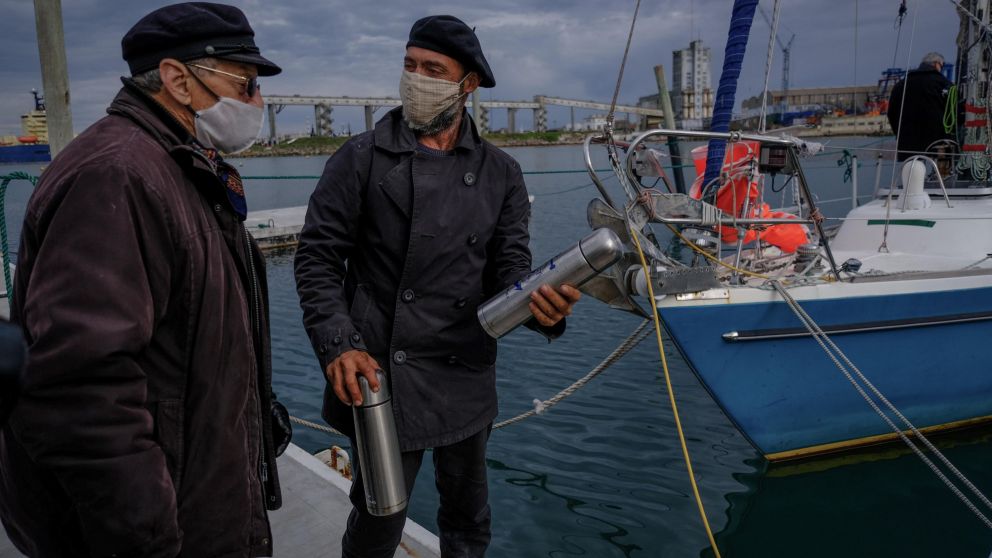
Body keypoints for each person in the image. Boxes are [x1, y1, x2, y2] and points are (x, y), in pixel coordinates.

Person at [0, 3, 290, 557]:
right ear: (179, 80)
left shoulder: (176, 164)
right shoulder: (118, 176)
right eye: (247, 84)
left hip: (195, 499)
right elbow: (79, 389)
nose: (257, 102)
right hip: (163, 531)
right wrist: (149, 541)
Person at [294, 14, 582, 558]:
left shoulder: (502, 173)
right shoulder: (358, 160)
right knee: (380, 518)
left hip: (463, 370)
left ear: (467, 83)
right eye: (409, 65)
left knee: (468, 520)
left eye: (433, 68)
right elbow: (317, 258)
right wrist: (339, 343)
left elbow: (509, 273)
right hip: (379, 370)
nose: (416, 78)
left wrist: (542, 309)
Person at [887, 52, 956, 161]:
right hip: (938, 144)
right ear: (937, 64)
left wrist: (900, 133)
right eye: (941, 66)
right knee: (942, 174)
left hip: (908, 143)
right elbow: (953, 113)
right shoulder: (945, 84)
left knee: (911, 174)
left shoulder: (900, 85)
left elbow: (891, 113)